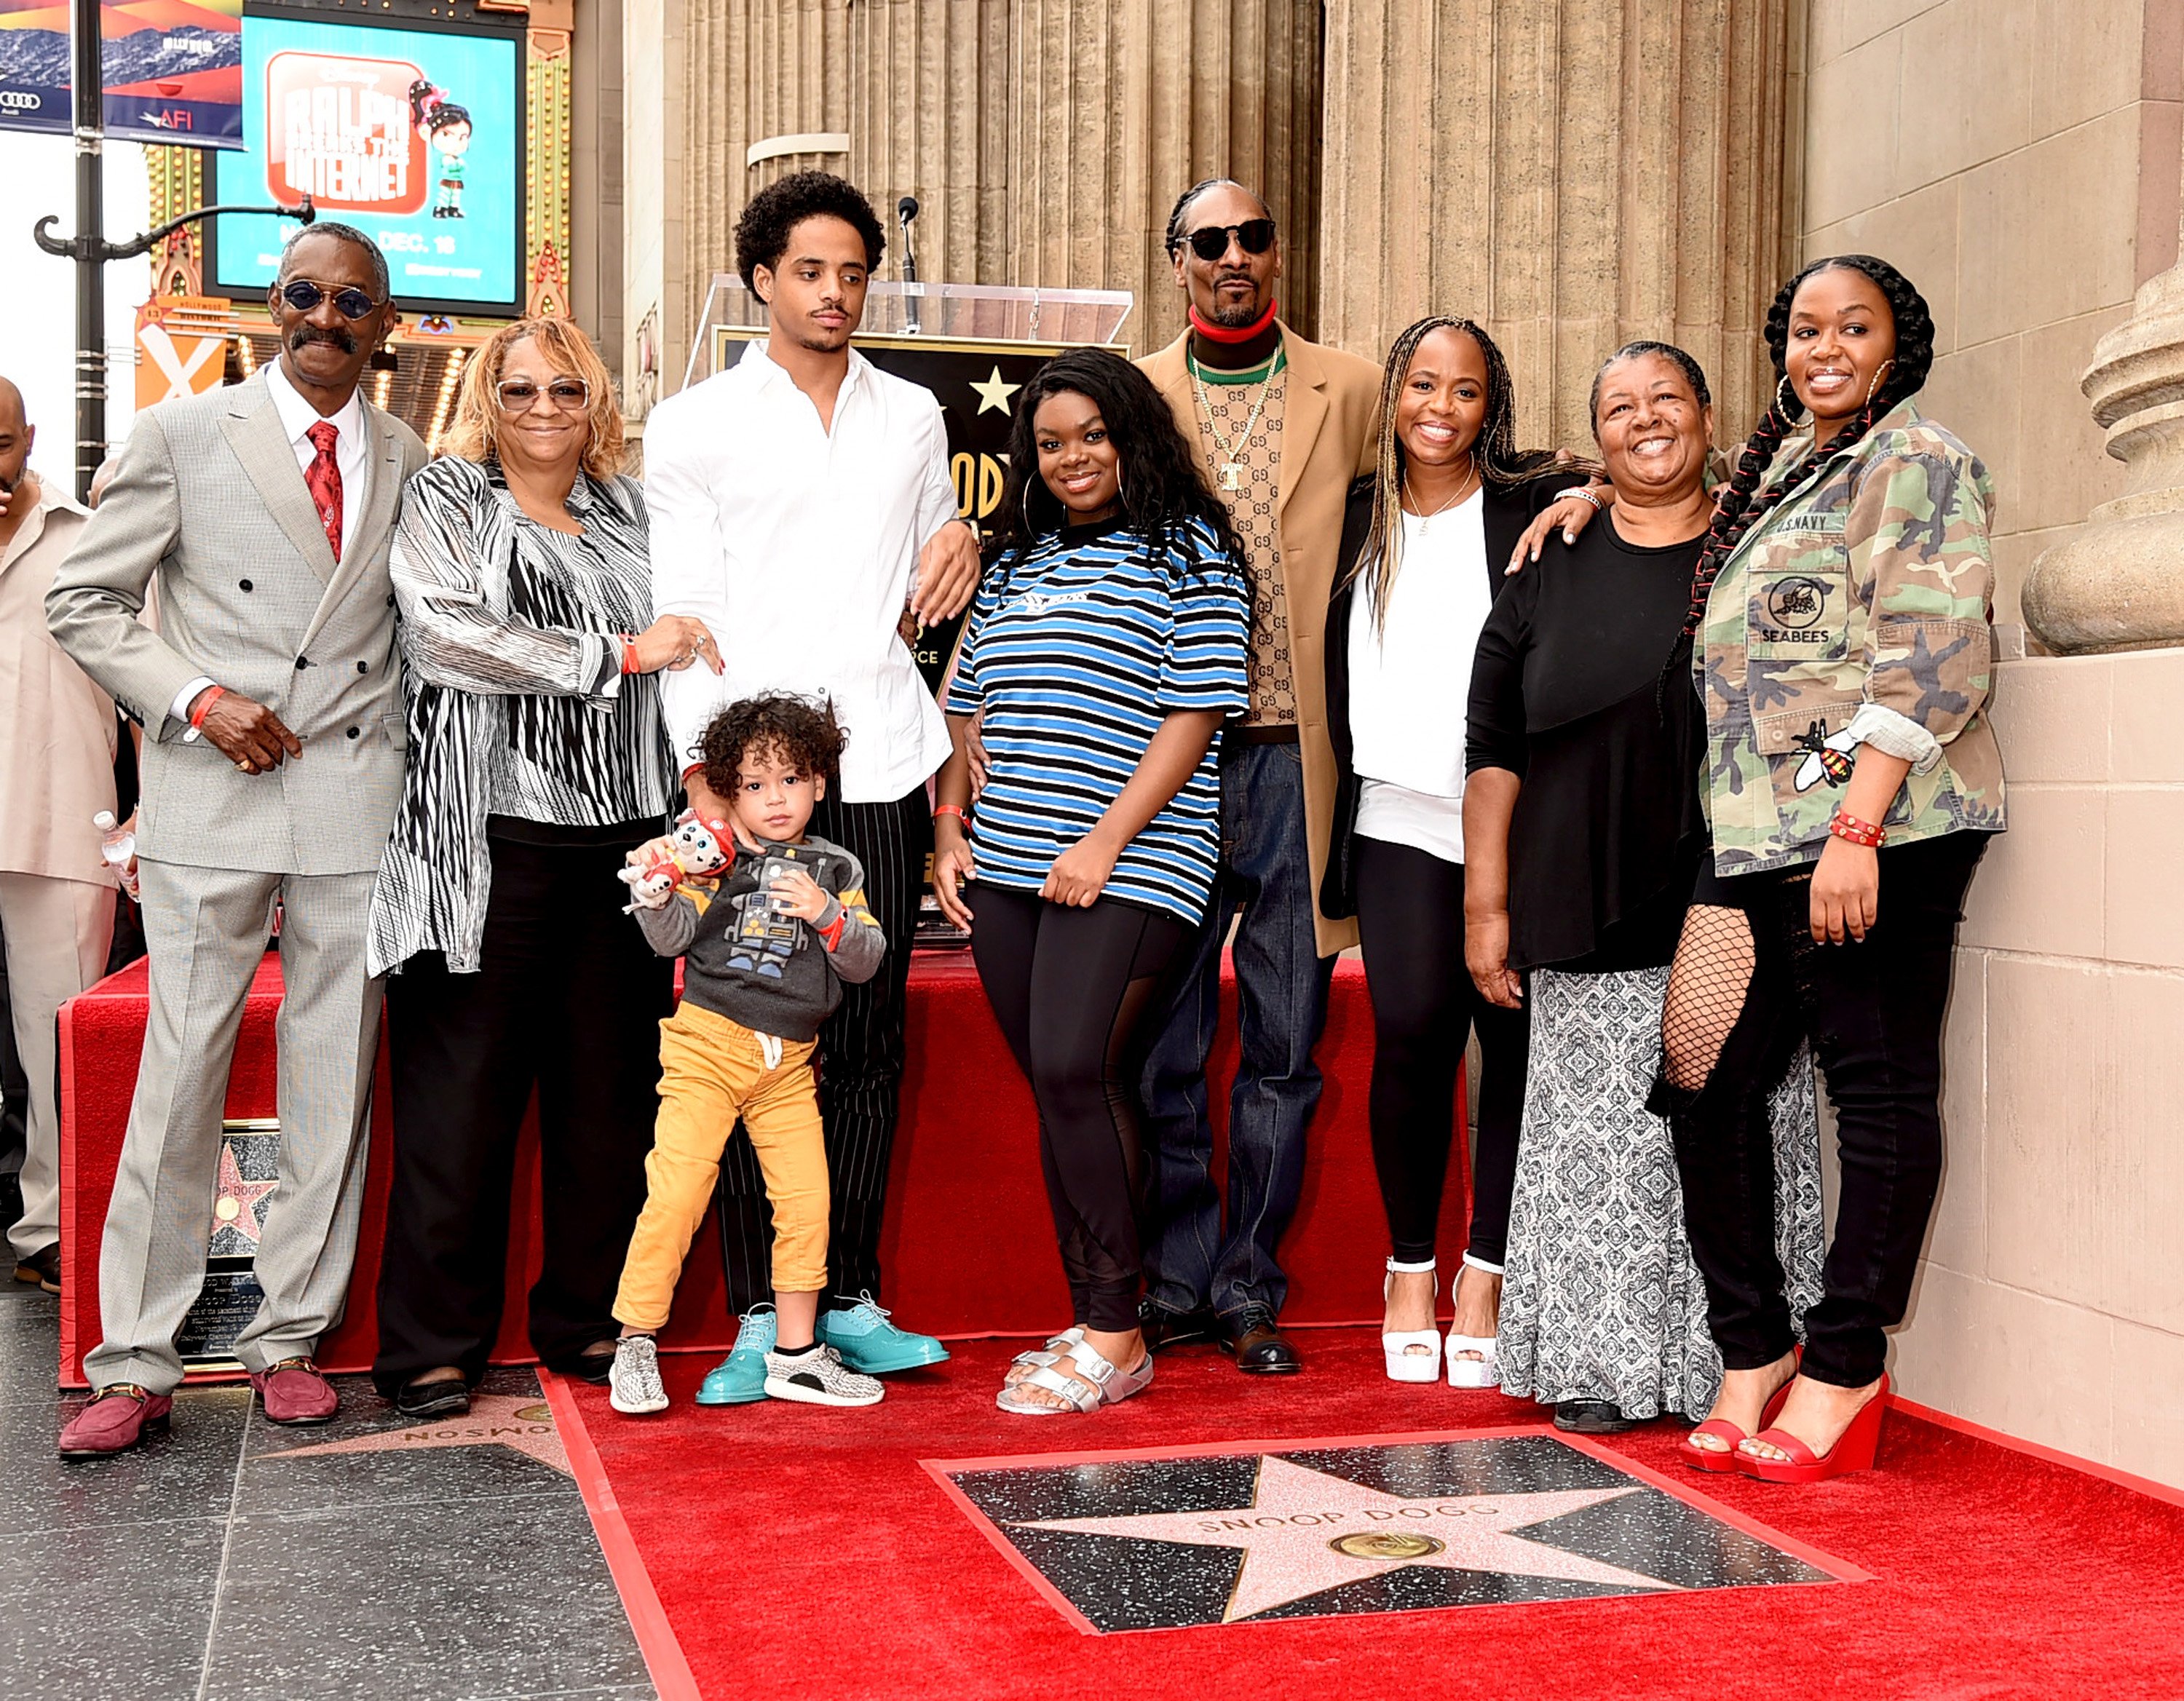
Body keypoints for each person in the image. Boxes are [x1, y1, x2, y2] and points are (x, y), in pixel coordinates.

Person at [47, 223, 428, 1456]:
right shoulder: (180, 435)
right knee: (179, 1073)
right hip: (213, 788)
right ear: (276, 306)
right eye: (304, 294)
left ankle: (287, 1337)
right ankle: (135, 1357)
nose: (326, 317)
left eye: (352, 301)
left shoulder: (415, 457)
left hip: (351, 800)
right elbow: (83, 599)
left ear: (386, 321)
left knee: (333, 1074)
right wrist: (196, 699)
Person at [1654, 255, 2003, 1482]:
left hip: (1883, 831)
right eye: (1805, 329)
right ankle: (1751, 1350)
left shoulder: (1920, 458)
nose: (1825, 348)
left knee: (1877, 1081)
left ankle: (1846, 1364)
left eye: (1852, 327)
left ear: (1895, 342)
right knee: (1703, 1078)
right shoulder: (1775, 480)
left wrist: (1856, 828)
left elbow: (1934, 653)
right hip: (1749, 838)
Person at [645, 170, 982, 1401]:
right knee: (750, 1042)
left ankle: (845, 1295)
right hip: (757, 780)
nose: (836, 292)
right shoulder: (692, 426)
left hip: (884, 760)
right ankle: (754, 1312)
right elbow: (685, 615)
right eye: (810, 271)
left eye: (853, 272)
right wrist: (707, 785)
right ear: (762, 279)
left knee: (872, 1036)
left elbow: (935, 556)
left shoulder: (911, 416)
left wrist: (965, 539)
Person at [1463, 342, 1822, 1433]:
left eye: (1667, 397)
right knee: (1598, 1153)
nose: (1646, 420)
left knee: (1725, 1125)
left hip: (1732, 890)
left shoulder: (1760, 538)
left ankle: (1746, 1360)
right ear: (1597, 438)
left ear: (1711, 416)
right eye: (1619, 407)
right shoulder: (1548, 560)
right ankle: (1603, 1365)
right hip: (1576, 896)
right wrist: (1487, 908)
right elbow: (1491, 745)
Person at [364, 317, 709, 1416]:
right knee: (458, 1101)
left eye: (567, 389)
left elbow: (696, 635)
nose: (546, 409)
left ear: (596, 402)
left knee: (608, 1100)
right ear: (489, 399)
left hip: (622, 843)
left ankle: (592, 1318)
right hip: (485, 840)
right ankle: (432, 1342)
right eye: (521, 391)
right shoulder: (448, 497)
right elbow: (443, 634)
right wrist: (614, 651)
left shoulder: (632, 509)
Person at [932, 348, 1250, 1414]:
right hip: (1008, 863)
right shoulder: (1016, 560)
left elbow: (1197, 710)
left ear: (1133, 433)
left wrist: (1106, 842)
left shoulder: (1190, 549)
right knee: (1072, 1087)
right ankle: (1099, 1309)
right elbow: (964, 696)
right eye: (1051, 442)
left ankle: (1119, 1333)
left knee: (1076, 1068)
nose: (1072, 458)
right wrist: (949, 826)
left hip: (1128, 862)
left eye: (1092, 435)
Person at [1320, 317, 1607, 1388]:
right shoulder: (1355, 517)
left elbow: (1652, 492)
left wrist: (1593, 496)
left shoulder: (1531, 505)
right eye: (1423, 385)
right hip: (1397, 812)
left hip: (1511, 817)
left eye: (1468, 391)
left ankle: (1486, 1270)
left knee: (1515, 1045)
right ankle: (1408, 1266)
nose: (1441, 408)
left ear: (1495, 407)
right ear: (1393, 394)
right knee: (1413, 1036)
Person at [608, 694, 889, 1416]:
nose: (775, 799)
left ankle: (796, 1357)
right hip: (708, 1047)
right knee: (675, 1196)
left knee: (807, 1206)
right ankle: (635, 1341)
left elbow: (866, 961)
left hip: (791, 1063)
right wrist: (654, 888)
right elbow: (671, 938)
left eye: (791, 781)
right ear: (729, 790)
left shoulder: (836, 869)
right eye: (756, 785)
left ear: (820, 783)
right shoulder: (716, 860)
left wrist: (828, 918)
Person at [0, 376, 119, 1296]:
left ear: (28, 437)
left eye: (0, 445)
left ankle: (52, 1222)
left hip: (57, 815)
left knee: (57, 1034)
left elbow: (154, 688)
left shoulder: (86, 543)